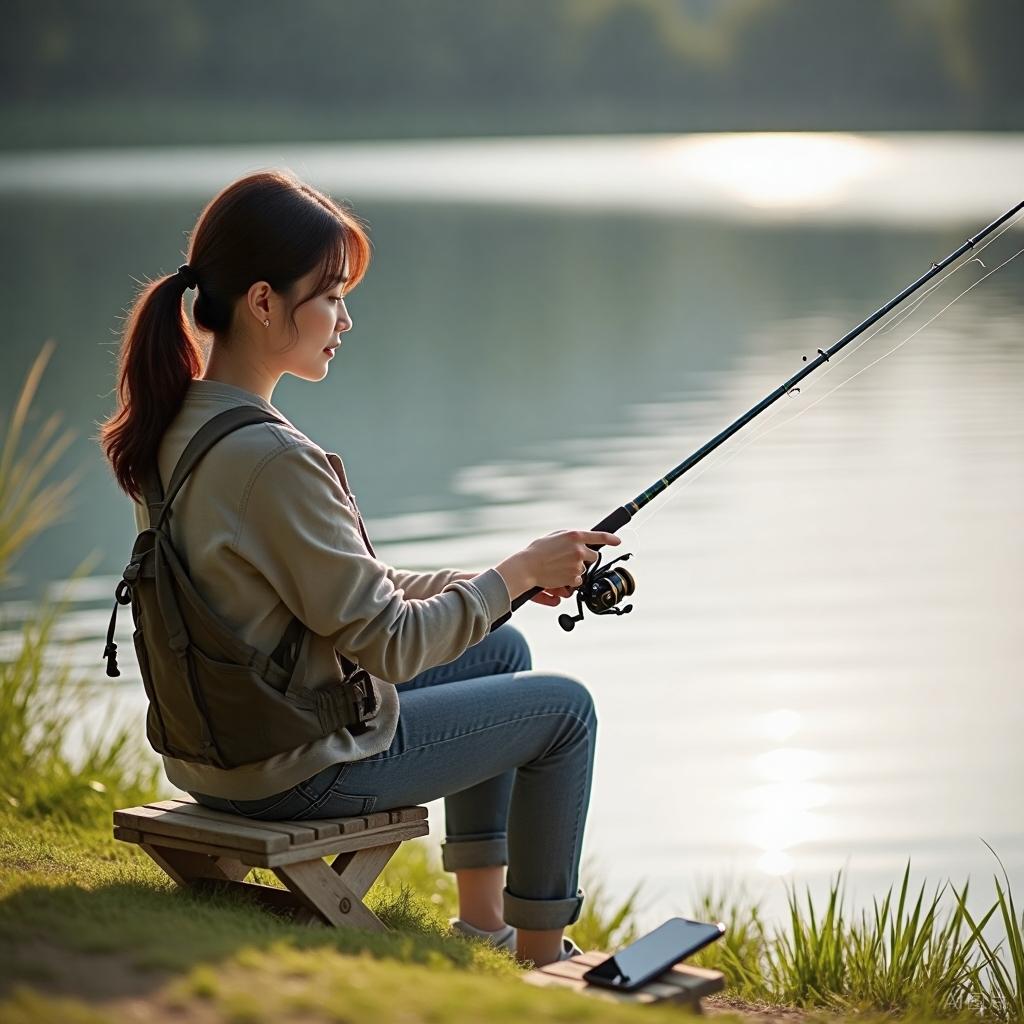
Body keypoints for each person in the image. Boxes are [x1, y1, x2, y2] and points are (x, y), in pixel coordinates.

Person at [97, 169, 620, 968]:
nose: (345, 318)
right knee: (564, 712)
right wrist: (510, 576)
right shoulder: (273, 460)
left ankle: (484, 923)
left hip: (214, 750)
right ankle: (543, 963)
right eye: (331, 296)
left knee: (503, 651)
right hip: (288, 770)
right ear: (264, 302)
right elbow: (389, 644)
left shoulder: (176, 428)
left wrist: (493, 582)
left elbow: (341, 590)